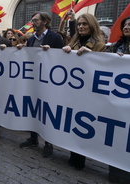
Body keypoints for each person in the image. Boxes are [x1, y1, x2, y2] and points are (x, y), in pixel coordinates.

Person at [17, 11, 64, 158]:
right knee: (33, 108)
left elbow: (62, 59)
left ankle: (48, 142)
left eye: (36, 20)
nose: (33, 22)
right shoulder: (31, 39)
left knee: (46, 110)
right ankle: (33, 138)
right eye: (32, 20)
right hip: (33, 80)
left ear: (45, 21)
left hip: (49, 81)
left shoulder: (55, 38)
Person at [62, 13, 105, 170]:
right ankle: (73, 154)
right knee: (72, 123)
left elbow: (102, 67)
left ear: (92, 26)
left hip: (88, 92)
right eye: (79, 24)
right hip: (73, 91)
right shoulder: (73, 43)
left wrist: (91, 56)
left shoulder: (100, 45)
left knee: (82, 125)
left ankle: (80, 157)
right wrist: (65, 52)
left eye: (84, 24)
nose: (81, 26)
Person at [106, 16, 130, 183]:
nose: (127, 26)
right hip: (118, 98)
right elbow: (103, 62)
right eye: (126, 24)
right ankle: (117, 171)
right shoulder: (116, 46)